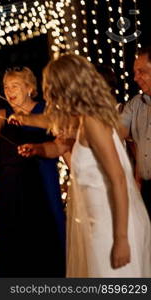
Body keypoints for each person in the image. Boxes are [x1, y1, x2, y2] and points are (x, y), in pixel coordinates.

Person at [43, 54, 151, 277]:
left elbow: (118, 178)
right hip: (100, 225)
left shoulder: (93, 121)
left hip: (114, 227)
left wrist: (121, 239)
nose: (49, 93)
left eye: (51, 86)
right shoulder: (84, 121)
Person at [0, 67, 65, 277]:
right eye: (6, 86)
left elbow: (60, 141)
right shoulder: (2, 113)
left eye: (15, 85)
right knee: (14, 238)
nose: (9, 90)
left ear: (30, 88)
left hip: (41, 179)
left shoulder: (47, 110)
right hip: (11, 184)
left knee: (43, 235)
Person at [120, 46, 151, 219]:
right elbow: (116, 131)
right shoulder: (135, 104)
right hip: (147, 190)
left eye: (142, 72)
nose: (135, 78)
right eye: (134, 72)